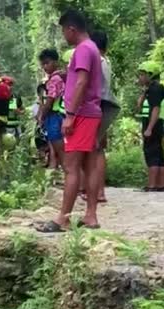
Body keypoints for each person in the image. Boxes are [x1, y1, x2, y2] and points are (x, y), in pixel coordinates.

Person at [37, 10, 103, 232]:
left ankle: (63, 219)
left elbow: (82, 82)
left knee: (70, 166)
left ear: (71, 29)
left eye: (64, 31)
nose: (64, 36)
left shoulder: (83, 50)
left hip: (82, 114)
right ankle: (90, 215)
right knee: (89, 164)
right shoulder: (92, 47)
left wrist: (71, 114)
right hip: (92, 112)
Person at [87, 30, 121, 203]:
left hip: (95, 107)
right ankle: (99, 191)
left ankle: (95, 191)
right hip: (105, 107)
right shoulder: (106, 62)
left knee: (93, 149)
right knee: (98, 149)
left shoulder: (95, 61)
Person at [137, 61, 164, 192]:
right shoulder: (152, 89)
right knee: (159, 154)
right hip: (158, 125)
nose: (139, 78)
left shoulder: (155, 89)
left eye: (142, 75)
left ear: (150, 75)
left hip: (154, 124)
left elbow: (155, 109)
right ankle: (162, 185)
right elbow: (139, 105)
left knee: (152, 153)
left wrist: (149, 128)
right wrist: (143, 92)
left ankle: (152, 185)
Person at [37, 49, 67, 169]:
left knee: (60, 149)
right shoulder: (62, 77)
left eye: (47, 63)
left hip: (54, 116)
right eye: (43, 64)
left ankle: (70, 177)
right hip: (62, 114)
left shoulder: (54, 79)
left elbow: (50, 100)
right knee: (60, 149)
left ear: (55, 62)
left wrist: (41, 116)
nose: (45, 67)